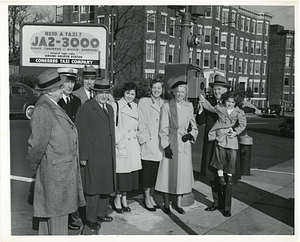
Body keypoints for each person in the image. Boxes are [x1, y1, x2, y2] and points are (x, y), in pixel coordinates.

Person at [27, 69, 86, 235]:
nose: (64, 89)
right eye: (60, 87)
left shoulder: (52, 105)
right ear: (50, 91)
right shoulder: (43, 109)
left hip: (59, 174)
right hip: (55, 175)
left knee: (52, 219)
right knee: (56, 221)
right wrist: (37, 165)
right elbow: (36, 145)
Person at [75, 78, 116, 230]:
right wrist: (83, 156)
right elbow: (82, 133)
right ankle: (90, 218)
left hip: (107, 153)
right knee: (93, 187)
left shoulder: (110, 109)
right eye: (100, 93)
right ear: (94, 93)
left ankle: (101, 213)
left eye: (106, 93)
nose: (104, 96)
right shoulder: (86, 108)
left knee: (105, 185)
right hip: (93, 154)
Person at [155, 82, 198, 215]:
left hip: (184, 143)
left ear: (186, 93)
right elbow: (163, 128)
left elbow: (194, 126)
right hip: (172, 141)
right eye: (177, 91)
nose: (180, 94)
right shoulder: (167, 106)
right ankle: (167, 203)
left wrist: (191, 135)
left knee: (182, 175)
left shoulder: (189, 106)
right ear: (173, 92)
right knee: (168, 173)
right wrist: (166, 145)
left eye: (182, 92)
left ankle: (178, 203)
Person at [196, 74, 234, 217]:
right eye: (215, 89)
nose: (217, 91)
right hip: (211, 144)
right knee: (213, 175)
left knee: (226, 175)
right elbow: (200, 122)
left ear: (225, 90)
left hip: (226, 144)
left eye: (220, 89)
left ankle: (226, 206)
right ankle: (216, 202)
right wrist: (200, 108)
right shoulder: (209, 103)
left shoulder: (230, 104)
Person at [199, 91, 246, 186]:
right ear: (224, 101)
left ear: (236, 103)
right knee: (219, 154)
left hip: (230, 135)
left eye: (232, 102)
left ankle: (229, 174)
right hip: (220, 133)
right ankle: (220, 174)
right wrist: (203, 101)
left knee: (232, 155)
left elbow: (243, 124)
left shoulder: (239, 112)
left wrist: (235, 132)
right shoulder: (219, 107)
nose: (230, 104)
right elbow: (210, 108)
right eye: (228, 101)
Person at [113, 82, 142, 213]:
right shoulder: (116, 106)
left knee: (129, 176)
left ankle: (125, 198)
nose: (130, 96)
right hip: (123, 145)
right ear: (123, 93)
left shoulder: (136, 106)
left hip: (133, 146)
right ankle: (117, 198)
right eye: (127, 93)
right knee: (122, 175)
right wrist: (119, 141)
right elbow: (114, 126)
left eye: (132, 93)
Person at [137, 79, 165, 211]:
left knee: (156, 173)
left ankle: (152, 196)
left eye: (159, 88)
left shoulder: (164, 103)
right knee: (147, 173)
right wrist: (145, 138)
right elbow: (141, 122)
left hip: (160, 144)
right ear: (150, 89)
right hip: (149, 142)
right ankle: (147, 197)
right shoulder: (144, 102)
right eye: (154, 88)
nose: (156, 90)